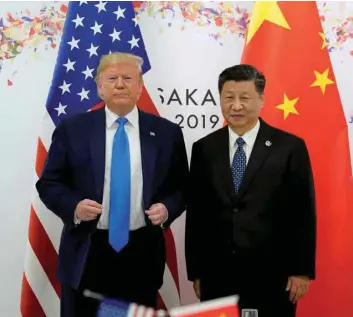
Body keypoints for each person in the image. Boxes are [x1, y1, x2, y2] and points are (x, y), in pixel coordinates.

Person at [36, 52, 189, 317]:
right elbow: (49, 183)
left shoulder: (167, 132)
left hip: (141, 255)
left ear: (140, 87)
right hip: (88, 252)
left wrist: (167, 208)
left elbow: (183, 188)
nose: (120, 84)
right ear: (99, 87)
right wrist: (74, 206)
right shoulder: (72, 129)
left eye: (128, 78)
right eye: (112, 78)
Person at [185, 64, 316, 317]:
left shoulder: (289, 147)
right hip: (217, 274)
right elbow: (197, 214)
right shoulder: (204, 148)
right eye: (228, 98)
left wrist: (301, 270)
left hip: (272, 273)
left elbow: (303, 212)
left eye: (244, 98)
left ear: (261, 99)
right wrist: (197, 272)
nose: (236, 106)